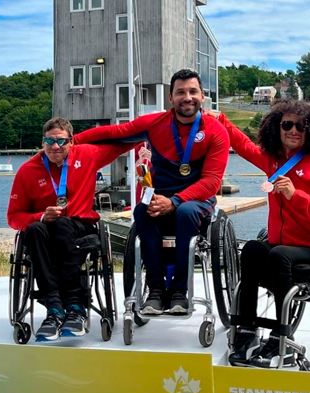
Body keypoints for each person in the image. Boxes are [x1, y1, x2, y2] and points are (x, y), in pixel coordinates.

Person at [74, 69, 230, 315]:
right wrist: (71, 142)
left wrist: (175, 200)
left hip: (196, 197)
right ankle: (155, 289)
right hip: (158, 194)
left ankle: (179, 291)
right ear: (171, 98)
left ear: (202, 96)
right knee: (141, 211)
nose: (187, 97)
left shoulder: (216, 131)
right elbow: (113, 133)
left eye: (192, 91)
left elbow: (211, 182)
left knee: (186, 212)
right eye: (180, 92)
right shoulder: (155, 123)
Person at [211, 100, 310, 367]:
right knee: (252, 248)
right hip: (281, 249)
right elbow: (244, 146)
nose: (294, 130)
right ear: (278, 128)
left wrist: (295, 196)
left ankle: (281, 337)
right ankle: (248, 329)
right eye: (287, 125)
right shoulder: (274, 161)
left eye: (301, 125)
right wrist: (221, 120)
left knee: (279, 254)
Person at [8, 117, 133, 341]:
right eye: (50, 141)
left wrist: (155, 130)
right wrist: (40, 216)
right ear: (42, 141)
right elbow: (13, 217)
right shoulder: (27, 171)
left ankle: (75, 305)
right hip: (44, 229)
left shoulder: (86, 154)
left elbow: (123, 139)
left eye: (61, 142)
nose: (55, 146)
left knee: (63, 224)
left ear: (71, 142)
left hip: (79, 225)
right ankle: (54, 308)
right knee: (35, 230)